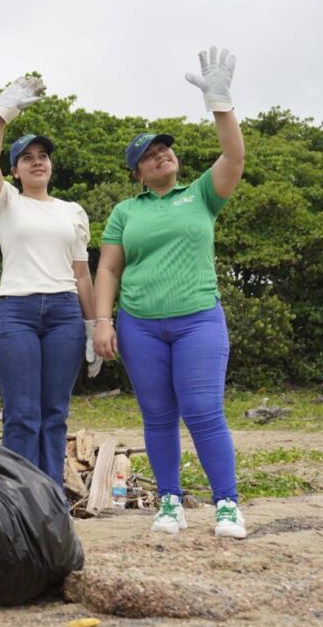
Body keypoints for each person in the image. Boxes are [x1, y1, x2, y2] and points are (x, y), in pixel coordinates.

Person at [93, 47, 247, 538]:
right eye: (148, 155)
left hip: (198, 318)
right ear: (137, 173)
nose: (161, 155)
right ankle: (170, 502)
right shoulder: (125, 211)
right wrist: (102, 320)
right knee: (157, 415)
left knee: (203, 410)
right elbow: (109, 269)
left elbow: (234, 155)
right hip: (140, 324)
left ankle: (226, 503)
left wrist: (220, 104)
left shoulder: (201, 193)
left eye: (165, 149)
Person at [0, 76, 100, 488]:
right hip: (16, 310)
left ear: (51, 164)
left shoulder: (73, 211)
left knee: (54, 413)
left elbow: (82, 273)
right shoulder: (5, 202)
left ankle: (50, 499)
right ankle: (19, 500)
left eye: (43, 155)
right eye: (27, 157)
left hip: (65, 312)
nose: (37, 161)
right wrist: (2, 115)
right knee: (22, 413)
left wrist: (92, 324)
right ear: (15, 170)